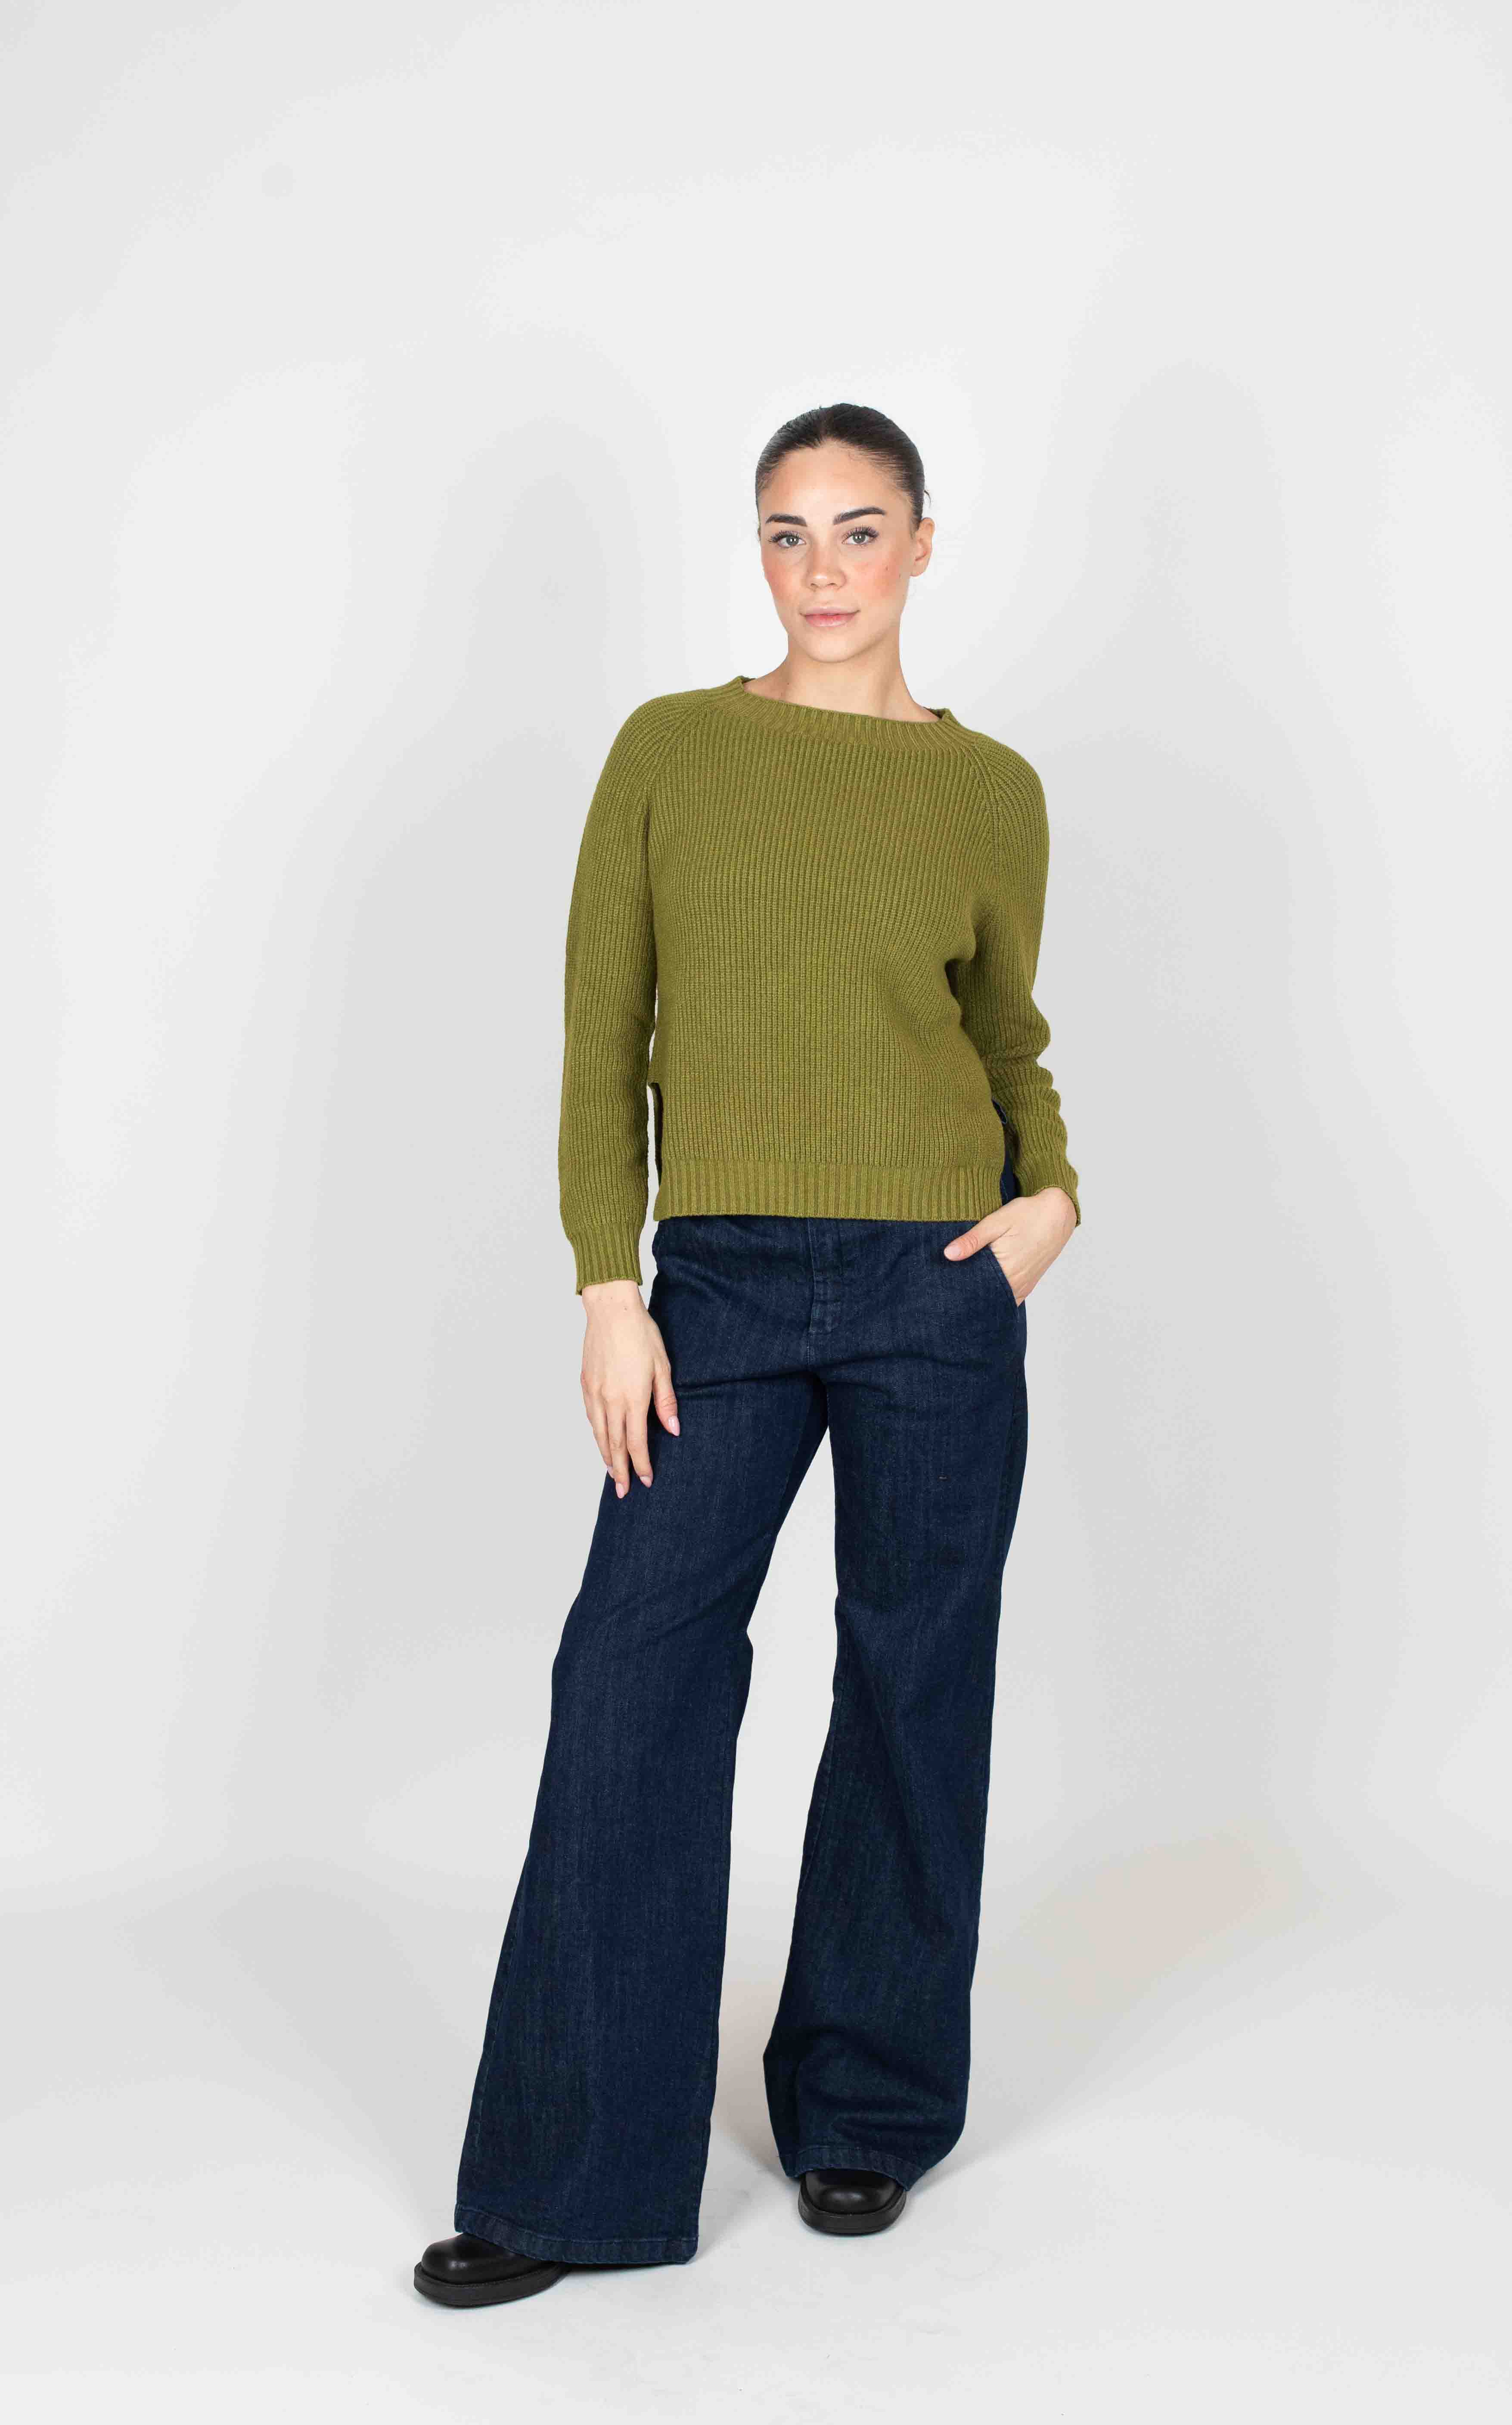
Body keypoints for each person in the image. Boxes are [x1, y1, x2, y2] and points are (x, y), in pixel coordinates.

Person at [413, 402, 1081, 2307]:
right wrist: (605, 1284)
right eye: (789, 533)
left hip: (940, 1281)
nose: (823, 570)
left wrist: (1053, 1196)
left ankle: (865, 2107)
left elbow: (1005, 1032)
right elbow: (600, 1031)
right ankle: (573, 2176)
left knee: (913, 1680)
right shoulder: (673, 751)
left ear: (922, 546)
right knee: (631, 1668)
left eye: (859, 531)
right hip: (713, 1285)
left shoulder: (990, 788)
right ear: (758, 552)